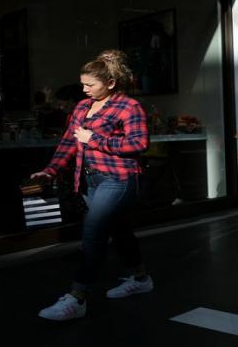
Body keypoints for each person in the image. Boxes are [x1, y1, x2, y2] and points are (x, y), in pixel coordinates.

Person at [32, 49, 152, 321]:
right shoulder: (82, 107)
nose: (84, 89)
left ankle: (77, 297)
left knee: (93, 233)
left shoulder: (128, 106)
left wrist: (94, 139)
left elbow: (138, 144)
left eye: (90, 85)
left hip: (119, 179)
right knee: (120, 231)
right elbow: (69, 142)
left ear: (110, 83)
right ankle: (141, 278)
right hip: (89, 181)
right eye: (83, 83)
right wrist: (51, 170)